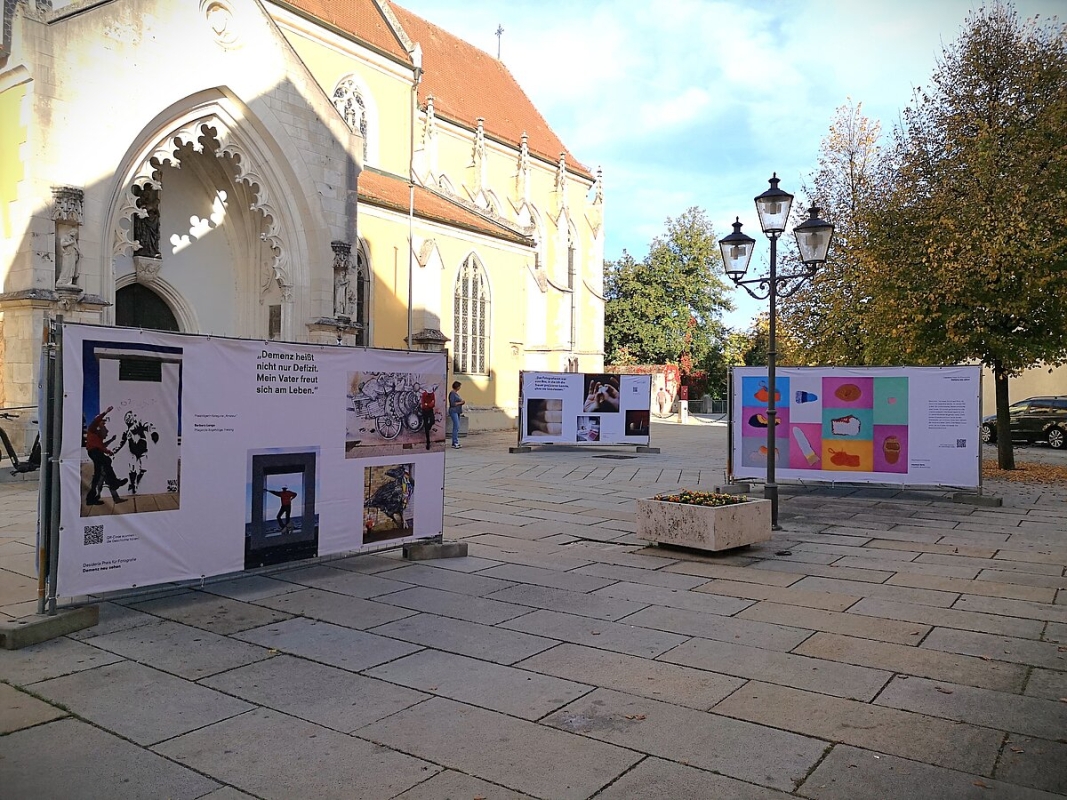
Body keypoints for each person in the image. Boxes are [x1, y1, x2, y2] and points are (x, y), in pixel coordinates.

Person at [85, 406, 127, 505]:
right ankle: (115, 483)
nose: (104, 424)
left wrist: (110, 445)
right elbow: (97, 421)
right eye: (102, 422)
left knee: (99, 474)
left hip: (96, 452)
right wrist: (106, 412)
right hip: (94, 452)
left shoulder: (98, 436)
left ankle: (91, 499)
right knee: (106, 461)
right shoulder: (92, 429)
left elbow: (101, 446)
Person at [419, 385, 437, 450]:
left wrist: (428, 404)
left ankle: (428, 428)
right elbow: (423, 406)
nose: (430, 394)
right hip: (425, 411)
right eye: (429, 393)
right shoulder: (424, 395)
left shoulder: (432, 394)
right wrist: (429, 404)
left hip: (430, 410)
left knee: (432, 421)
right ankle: (428, 442)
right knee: (426, 426)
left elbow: (433, 404)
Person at [448, 380, 465, 448]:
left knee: (457, 427)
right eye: (459, 386)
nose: (460, 387)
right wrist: (461, 402)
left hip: (457, 411)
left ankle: (455, 442)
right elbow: (452, 404)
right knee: (456, 426)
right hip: (453, 411)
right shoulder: (452, 393)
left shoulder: (456, 394)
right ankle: (455, 442)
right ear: (457, 386)